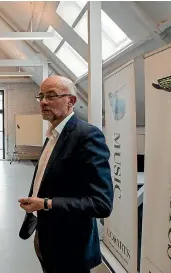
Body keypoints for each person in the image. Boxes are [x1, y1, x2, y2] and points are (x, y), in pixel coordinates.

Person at [18, 75, 114, 273]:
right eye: (41, 96)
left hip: (71, 246)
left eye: (52, 95)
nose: (43, 101)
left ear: (71, 101)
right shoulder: (53, 135)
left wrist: (45, 204)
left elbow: (101, 204)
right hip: (45, 234)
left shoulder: (87, 136)